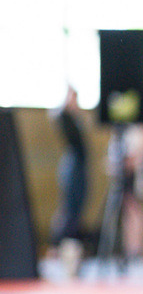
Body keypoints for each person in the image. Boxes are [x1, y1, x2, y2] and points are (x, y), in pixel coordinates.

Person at [49, 86, 90, 274]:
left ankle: (67, 248)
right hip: (72, 167)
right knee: (68, 209)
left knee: (76, 209)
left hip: (79, 166)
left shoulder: (75, 117)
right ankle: (55, 246)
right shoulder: (63, 116)